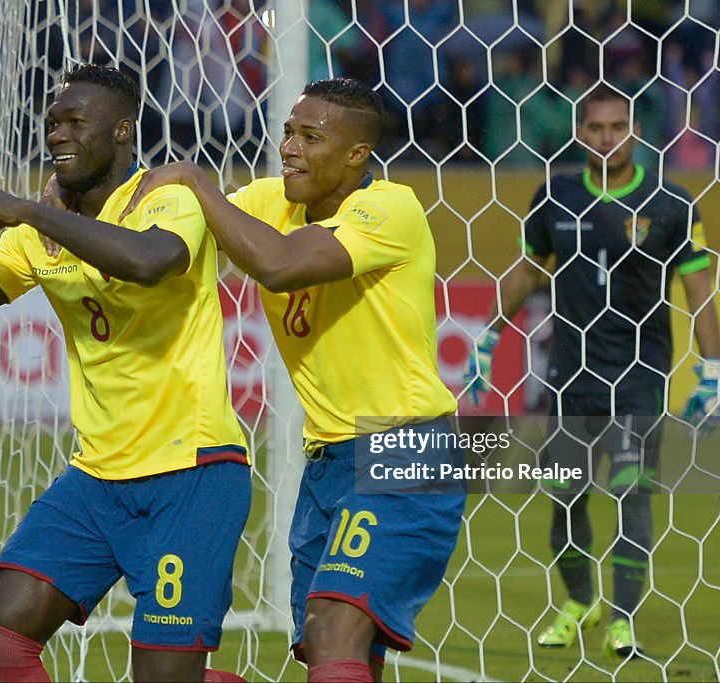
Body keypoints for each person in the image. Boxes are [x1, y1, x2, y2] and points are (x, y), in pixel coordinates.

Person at [0, 64, 250, 683]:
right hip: (97, 476)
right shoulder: (42, 227)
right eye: (52, 123)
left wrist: (29, 213)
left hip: (192, 472)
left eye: (75, 122)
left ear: (122, 130)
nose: (58, 135)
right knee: (2, 637)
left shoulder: (167, 198)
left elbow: (150, 261)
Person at [121, 78, 466, 683]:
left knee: (335, 625)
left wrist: (198, 182)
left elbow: (280, 267)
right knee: (338, 650)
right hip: (328, 462)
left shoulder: (391, 207)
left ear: (357, 155)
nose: (289, 148)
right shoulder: (266, 201)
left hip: (408, 447)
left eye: (311, 136)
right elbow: (173, 233)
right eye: (287, 132)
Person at [462, 84, 720, 659]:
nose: (607, 138)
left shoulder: (670, 203)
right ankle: (578, 600)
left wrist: (712, 373)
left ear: (635, 132)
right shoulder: (553, 197)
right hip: (569, 377)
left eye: (618, 127)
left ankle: (622, 617)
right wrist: (487, 338)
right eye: (596, 128)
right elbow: (527, 272)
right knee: (564, 497)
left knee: (631, 496)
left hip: (638, 377)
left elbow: (700, 292)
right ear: (581, 133)